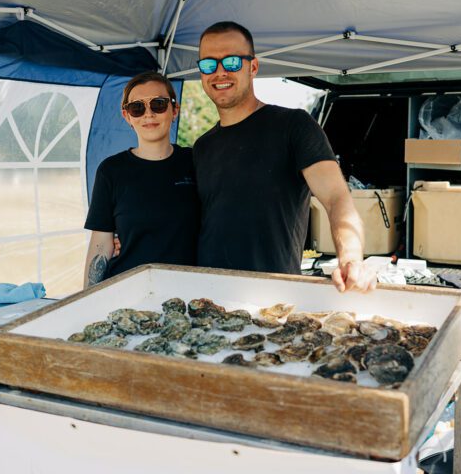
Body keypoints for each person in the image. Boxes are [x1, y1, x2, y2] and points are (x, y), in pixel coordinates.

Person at [193, 21, 376, 293]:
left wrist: (350, 258)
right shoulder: (202, 146)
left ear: (253, 67)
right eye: (209, 64)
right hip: (207, 294)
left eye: (231, 62)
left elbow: (336, 198)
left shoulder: (294, 126)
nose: (220, 72)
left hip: (273, 297)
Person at [83, 72, 199, 288]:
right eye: (137, 108)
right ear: (127, 116)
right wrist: (88, 299)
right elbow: (101, 245)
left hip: (187, 291)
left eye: (158, 104)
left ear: (175, 110)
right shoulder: (111, 171)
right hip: (127, 292)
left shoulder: (196, 162)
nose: (148, 114)